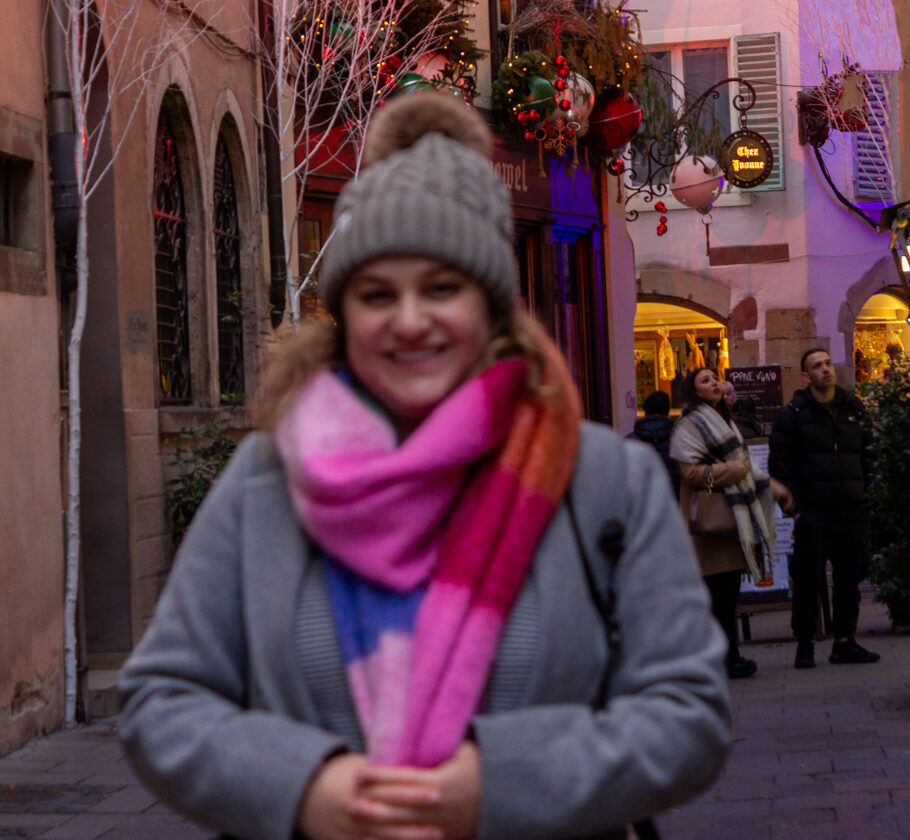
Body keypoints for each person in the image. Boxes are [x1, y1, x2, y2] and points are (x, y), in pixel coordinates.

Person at [118, 93, 731, 840]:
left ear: (491, 306)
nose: (409, 321)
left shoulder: (601, 481)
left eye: (442, 288)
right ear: (345, 315)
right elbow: (162, 698)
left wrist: (501, 783)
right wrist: (303, 785)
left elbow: (688, 711)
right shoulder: (266, 481)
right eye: (378, 295)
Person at [670, 368, 792, 680]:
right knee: (717, 598)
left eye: (714, 378)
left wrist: (777, 492)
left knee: (726, 597)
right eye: (705, 380)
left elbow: (748, 468)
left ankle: (728, 656)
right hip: (708, 523)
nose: (713, 383)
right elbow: (692, 474)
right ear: (695, 392)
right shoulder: (689, 424)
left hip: (729, 521)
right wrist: (731, 471)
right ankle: (722, 660)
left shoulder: (723, 422)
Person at [768, 347, 880, 669]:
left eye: (828, 363)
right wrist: (797, 509)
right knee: (807, 580)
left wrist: (867, 497)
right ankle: (805, 643)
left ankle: (844, 641)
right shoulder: (794, 415)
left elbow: (868, 454)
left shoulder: (853, 407)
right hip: (814, 513)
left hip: (852, 509)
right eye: (817, 366)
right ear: (806, 376)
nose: (826, 370)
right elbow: (781, 465)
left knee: (849, 578)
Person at [628, 390, 680, 497]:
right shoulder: (680, 439)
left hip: (642, 505)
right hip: (673, 503)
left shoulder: (629, 441)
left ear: (646, 410)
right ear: (667, 411)